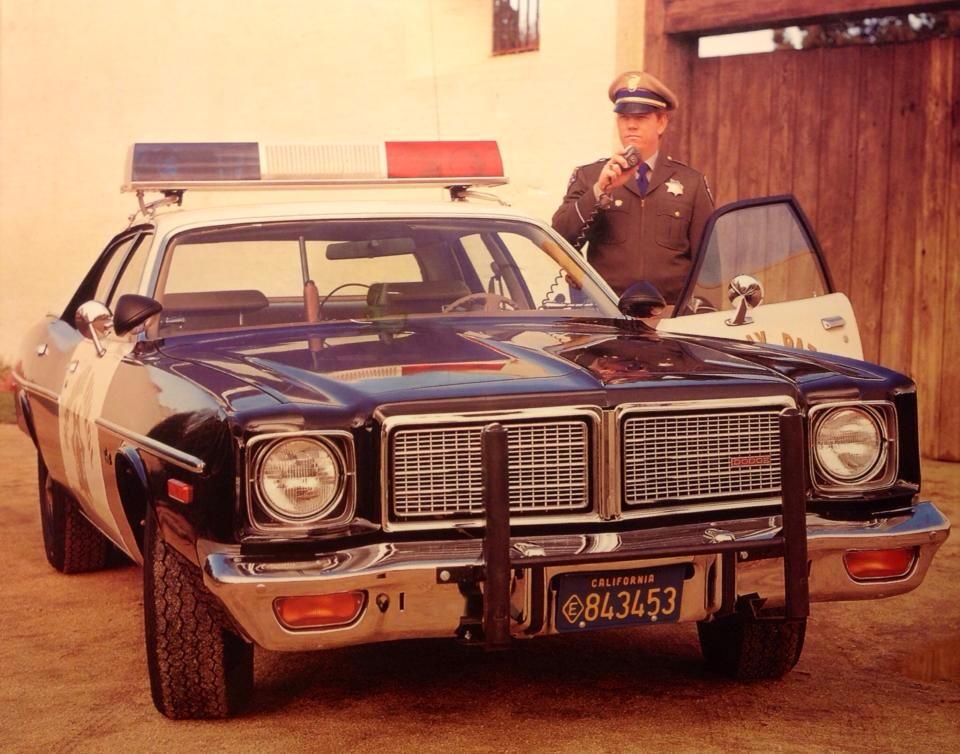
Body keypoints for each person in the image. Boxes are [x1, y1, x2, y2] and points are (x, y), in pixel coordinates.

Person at [552, 71, 714, 303]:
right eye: (624, 118)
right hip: (606, 314)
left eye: (641, 118)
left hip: (670, 316)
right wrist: (600, 190)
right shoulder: (591, 177)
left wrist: (699, 315)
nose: (630, 126)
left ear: (661, 122)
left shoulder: (691, 183)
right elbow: (559, 238)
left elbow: (709, 265)